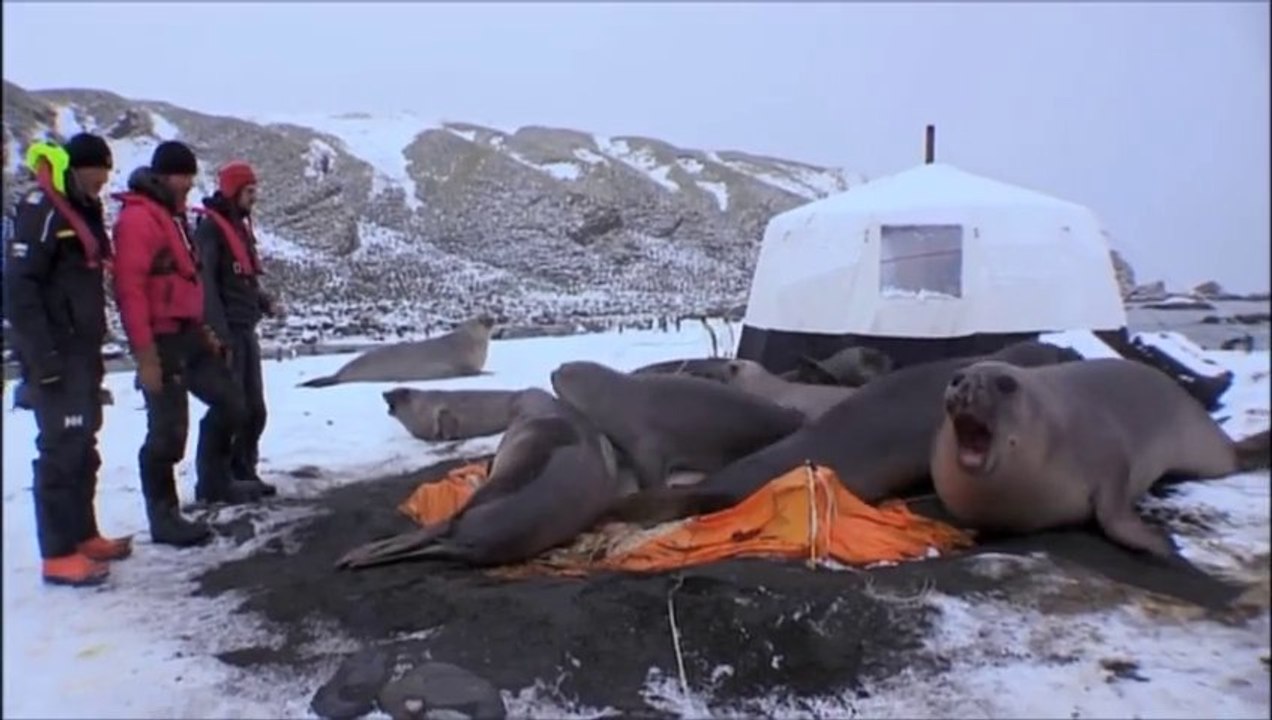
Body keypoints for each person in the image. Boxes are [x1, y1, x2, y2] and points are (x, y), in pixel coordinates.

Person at [112, 140, 262, 550]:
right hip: (160, 339)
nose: (190, 184)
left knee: (232, 403)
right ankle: (163, 516)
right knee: (167, 431)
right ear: (164, 176)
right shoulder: (139, 220)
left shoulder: (172, 216)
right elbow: (130, 290)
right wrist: (145, 356)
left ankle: (214, 481)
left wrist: (204, 329)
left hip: (189, 333)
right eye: (184, 177)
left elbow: (188, 280)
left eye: (192, 177)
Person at [3, 134, 131, 586]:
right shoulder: (42, 209)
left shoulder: (81, 208)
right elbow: (19, 288)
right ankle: (57, 554)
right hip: (55, 353)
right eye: (99, 172)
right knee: (59, 449)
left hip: (81, 350)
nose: (104, 181)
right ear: (77, 168)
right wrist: (43, 357)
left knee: (83, 445)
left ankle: (83, 535)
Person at [192, 160, 280, 498]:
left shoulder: (239, 229)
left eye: (255, 190)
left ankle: (243, 470)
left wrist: (263, 301)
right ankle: (214, 479)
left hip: (246, 328)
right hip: (229, 332)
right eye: (249, 191)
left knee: (255, 410)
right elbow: (207, 284)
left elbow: (242, 278)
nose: (254, 197)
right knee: (231, 409)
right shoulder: (210, 230)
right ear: (233, 191)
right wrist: (220, 333)